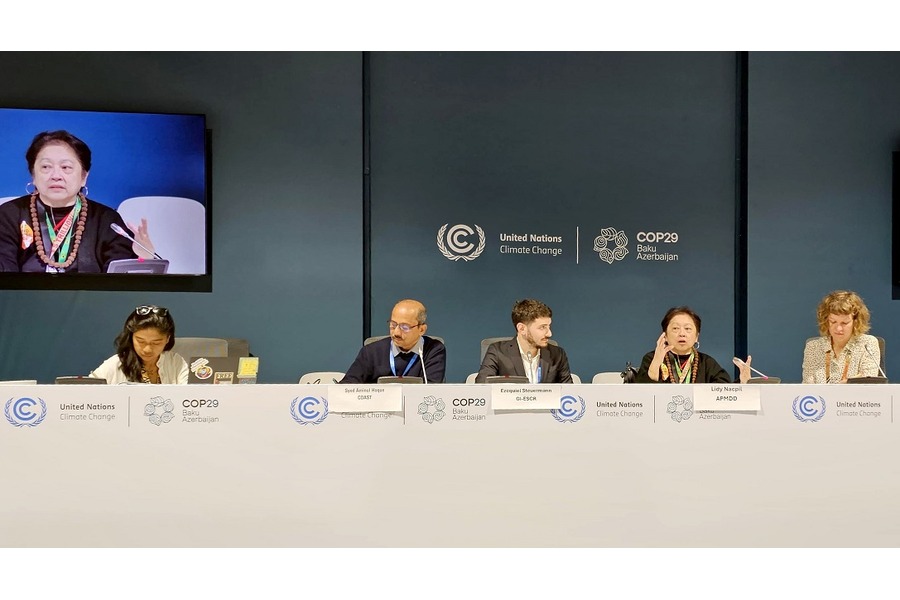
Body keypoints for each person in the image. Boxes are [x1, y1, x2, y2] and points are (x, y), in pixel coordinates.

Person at [0, 130, 155, 273]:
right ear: (33, 175)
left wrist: (143, 258)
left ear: (83, 177)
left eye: (66, 167)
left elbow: (119, 281)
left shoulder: (106, 220)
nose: (56, 176)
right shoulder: (8, 215)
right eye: (46, 167)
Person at [636, 306, 752, 384]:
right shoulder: (651, 358)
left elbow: (723, 393)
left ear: (696, 336)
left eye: (687, 329)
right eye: (675, 328)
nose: (682, 333)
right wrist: (656, 363)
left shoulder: (707, 363)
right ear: (665, 335)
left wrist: (743, 382)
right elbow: (640, 393)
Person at [340, 299, 446, 383]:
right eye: (393, 325)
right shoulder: (371, 351)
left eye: (405, 327)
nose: (396, 333)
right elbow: (347, 385)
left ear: (421, 329)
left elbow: (432, 389)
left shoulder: (433, 350)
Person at [476, 298, 573, 383]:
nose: (549, 334)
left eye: (549, 326)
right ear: (522, 329)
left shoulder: (558, 355)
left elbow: (569, 392)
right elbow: (482, 389)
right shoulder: (497, 352)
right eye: (542, 327)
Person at [90, 305, 189, 384]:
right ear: (131, 337)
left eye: (156, 343)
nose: (147, 349)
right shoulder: (115, 365)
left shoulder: (176, 363)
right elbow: (87, 390)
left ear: (168, 339)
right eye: (141, 341)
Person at [802, 290, 881, 383]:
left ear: (856, 322)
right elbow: (808, 387)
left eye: (845, 323)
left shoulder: (867, 344)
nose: (838, 328)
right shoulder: (813, 347)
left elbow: (868, 382)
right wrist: (849, 382)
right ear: (826, 321)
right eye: (833, 322)